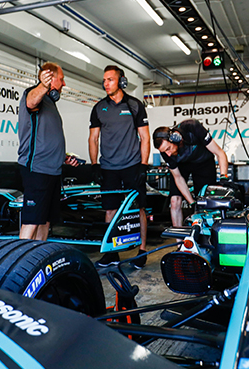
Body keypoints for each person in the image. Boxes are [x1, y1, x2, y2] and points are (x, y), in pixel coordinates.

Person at [89, 65, 151, 269]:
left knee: (139, 207)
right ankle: (111, 253)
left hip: (133, 165)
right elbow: (93, 138)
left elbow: (144, 137)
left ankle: (141, 251)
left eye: (110, 79)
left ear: (121, 81)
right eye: (104, 80)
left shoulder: (134, 105)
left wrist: (143, 165)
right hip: (108, 167)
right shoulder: (99, 108)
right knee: (110, 209)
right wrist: (94, 164)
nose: (106, 84)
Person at [17, 62, 79, 241]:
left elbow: (46, 137)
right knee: (32, 220)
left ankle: (38, 258)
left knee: (44, 221)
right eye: (61, 79)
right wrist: (43, 85)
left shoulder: (51, 103)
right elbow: (31, 101)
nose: (64, 84)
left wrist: (64, 158)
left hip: (53, 170)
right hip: (37, 168)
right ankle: (20, 265)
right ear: (50, 79)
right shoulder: (34, 95)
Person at [153, 119, 229, 227]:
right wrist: (192, 202)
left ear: (174, 139)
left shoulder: (193, 128)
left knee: (206, 201)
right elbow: (178, 178)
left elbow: (220, 153)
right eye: (164, 151)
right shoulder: (166, 152)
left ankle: (207, 237)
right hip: (182, 165)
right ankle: (179, 242)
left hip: (203, 162)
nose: (168, 154)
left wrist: (223, 177)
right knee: (175, 200)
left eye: (168, 148)